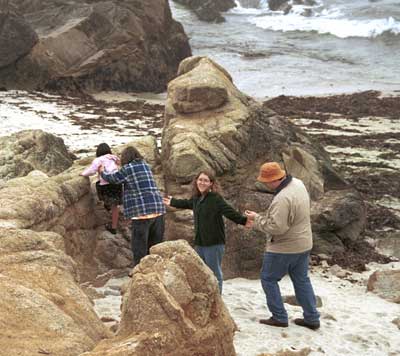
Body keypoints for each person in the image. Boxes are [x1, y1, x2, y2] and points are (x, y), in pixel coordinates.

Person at [245, 162, 320, 330]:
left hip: (284, 248)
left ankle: (279, 317)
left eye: (266, 181)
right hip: (304, 243)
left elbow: (277, 228)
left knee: (268, 279)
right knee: (302, 280)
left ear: (273, 180)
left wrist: (256, 219)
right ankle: (312, 318)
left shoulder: (282, 198)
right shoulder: (298, 184)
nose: (265, 184)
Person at [163, 170, 248, 293]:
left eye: (205, 180)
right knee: (202, 271)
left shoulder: (215, 199)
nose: (202, 183)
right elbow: (188, 203)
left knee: (214, 272)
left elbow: (230, 212)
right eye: (200, 180)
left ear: (211, 183)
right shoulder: (198, 198)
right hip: (200, 243)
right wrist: (172, 202)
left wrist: (244, 221)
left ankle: (217, 300)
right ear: (196, 181)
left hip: (214, 243)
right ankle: (208, 296)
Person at [99, 146, 165, 266]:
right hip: (158, 210)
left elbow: (113, 178)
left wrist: (102, 172)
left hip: (142, 214)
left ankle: (140, 274)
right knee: (155, 247)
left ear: (126, 158)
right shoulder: (145, 165)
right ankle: (156, 271)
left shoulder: (127, 169)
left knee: (139, 248)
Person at [80, 143, 122, 234]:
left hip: (106, 185)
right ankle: (114, 227)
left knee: (98, 185)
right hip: (117, 184)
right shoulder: (114, 158)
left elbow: (92, 170)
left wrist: (83, 174)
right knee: (115, 205)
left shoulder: (98, 160)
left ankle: (106, 203)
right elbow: (120, 165)